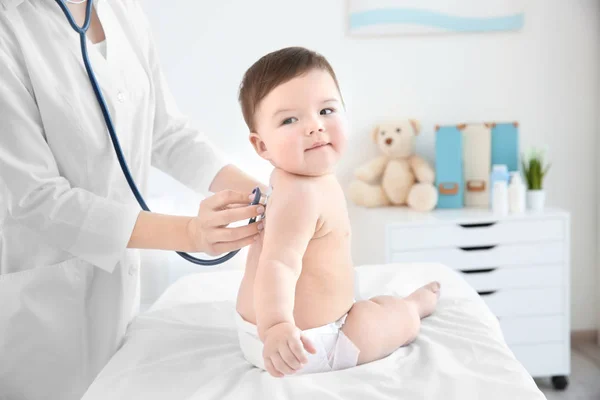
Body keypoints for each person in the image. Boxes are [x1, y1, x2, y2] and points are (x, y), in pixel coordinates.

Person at [0, 1, 266, 399]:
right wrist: (191, 233)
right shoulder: (10, 25)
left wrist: (263, 194)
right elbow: (36, 198)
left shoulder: (121, 10)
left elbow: (167, 133)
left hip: (120, 291)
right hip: (45, 303)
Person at [234, 47, 441, 377]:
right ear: (262, 146)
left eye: (326, 110)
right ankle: (412, 309)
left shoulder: (293, 178)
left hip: (262, 335)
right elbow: (278, 265)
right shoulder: (300, 194)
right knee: (379, 317)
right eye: (290, 119)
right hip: (303, 345)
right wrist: (276, 327)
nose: (314, 127)